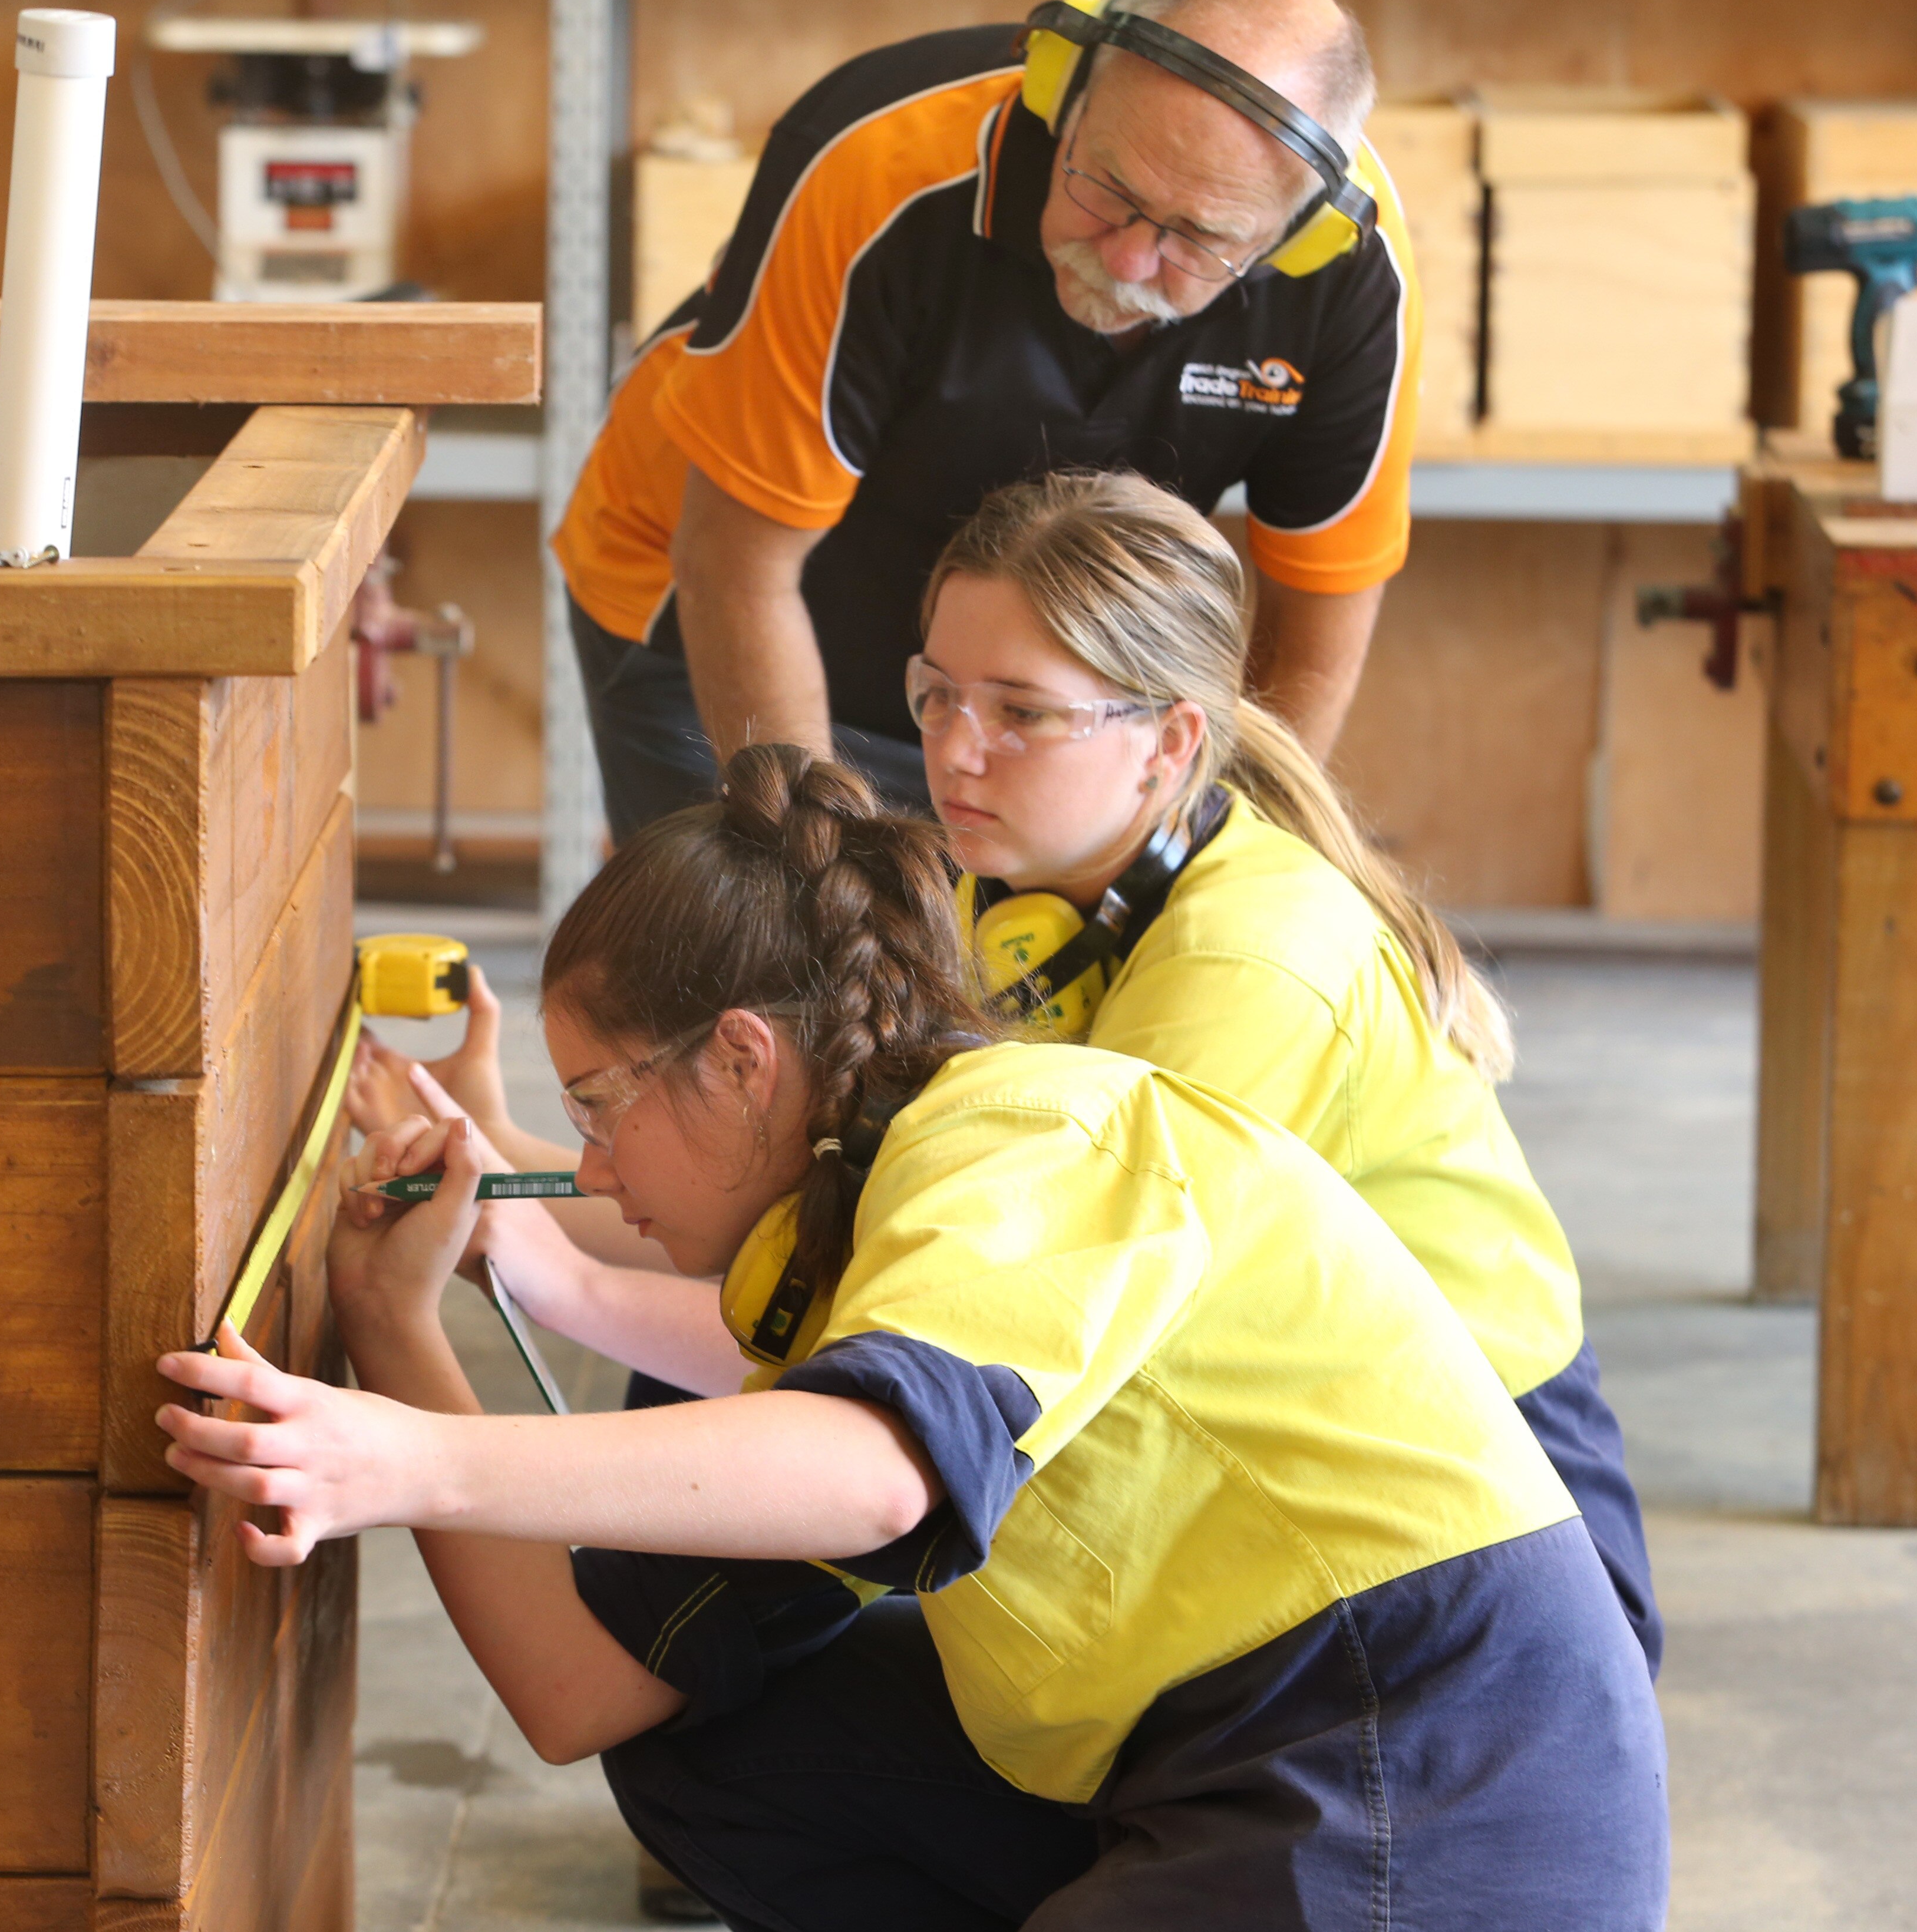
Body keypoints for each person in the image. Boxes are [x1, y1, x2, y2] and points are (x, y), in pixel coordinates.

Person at [162, 746, 1668, 1931]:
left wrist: (413, 1459)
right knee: (723, 1748)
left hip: (1425, 1761)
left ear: (744, 1062)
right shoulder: (833, 1256)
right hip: (1224, 1756)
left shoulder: (1020, 1134)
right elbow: (585, 1690)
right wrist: (389, 1323)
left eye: (599, 1106)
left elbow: (876, 1475)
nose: (593, 1173)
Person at [913, 467, 1661, 1672]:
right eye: (934, 695)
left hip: (1487, 1536)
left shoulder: (1247, 962)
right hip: (1294, 1448)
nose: (957, 750)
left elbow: (1061, 1306)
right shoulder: (1013, 889)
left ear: (1169, 742)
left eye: (1020, 712)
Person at [554, 0, 1421, 840]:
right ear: (1063, 96)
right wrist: (810, 889)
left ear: (1295, 239)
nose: (1127, 261)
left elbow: (1309, 635)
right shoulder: (875, 168)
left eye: (1198, 237)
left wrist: (1228, 864)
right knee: (772, 959)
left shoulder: (1354, 273)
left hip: (1027, 685)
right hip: (711, 602)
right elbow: (736, 571)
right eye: (1107, 189)